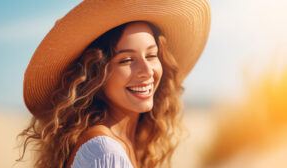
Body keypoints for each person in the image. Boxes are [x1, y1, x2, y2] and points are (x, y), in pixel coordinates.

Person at [18, 1, 211, 168]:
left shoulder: (125, 144)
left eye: (151, 55)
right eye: (127, 60)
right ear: (95, 73)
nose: (147, 71)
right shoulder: (104, 153)